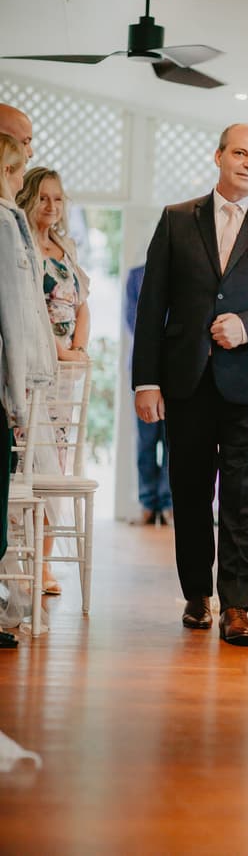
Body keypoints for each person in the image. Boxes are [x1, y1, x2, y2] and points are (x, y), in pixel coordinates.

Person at [132, 123, 248, 647]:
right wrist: (146, 382)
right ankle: (196, 593)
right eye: (240, 152)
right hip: (186, 380)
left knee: (240, 496)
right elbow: (152, 307)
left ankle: (237, 604)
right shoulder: (176, 220)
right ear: (218, 156)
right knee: (188, 490)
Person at [17, 167, 91, 595]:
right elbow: (28, 310)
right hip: (34, 367)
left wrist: (78, 348)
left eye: (58, 199)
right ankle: (19, 557)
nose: (51, 207)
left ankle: (43, 564)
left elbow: (82, 303)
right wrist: (57, 350)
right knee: (28, 464)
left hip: (66, 376)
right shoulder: (24, 249)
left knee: (55, 466)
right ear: (28, 198)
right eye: (43, 198)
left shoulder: (66, 247)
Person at [0, 132, 56, 640]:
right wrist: (18, 398)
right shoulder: (3, 224)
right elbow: (14, 316)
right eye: (17, 171)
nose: (21, 182)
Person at [125, 263, 172, 526]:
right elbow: (133, 319)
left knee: (171, 441)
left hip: (177, 369)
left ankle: (167, 503)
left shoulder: (182, 272)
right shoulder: (136, 276)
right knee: (145, 442)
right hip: (144, 369)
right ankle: (147, 502)